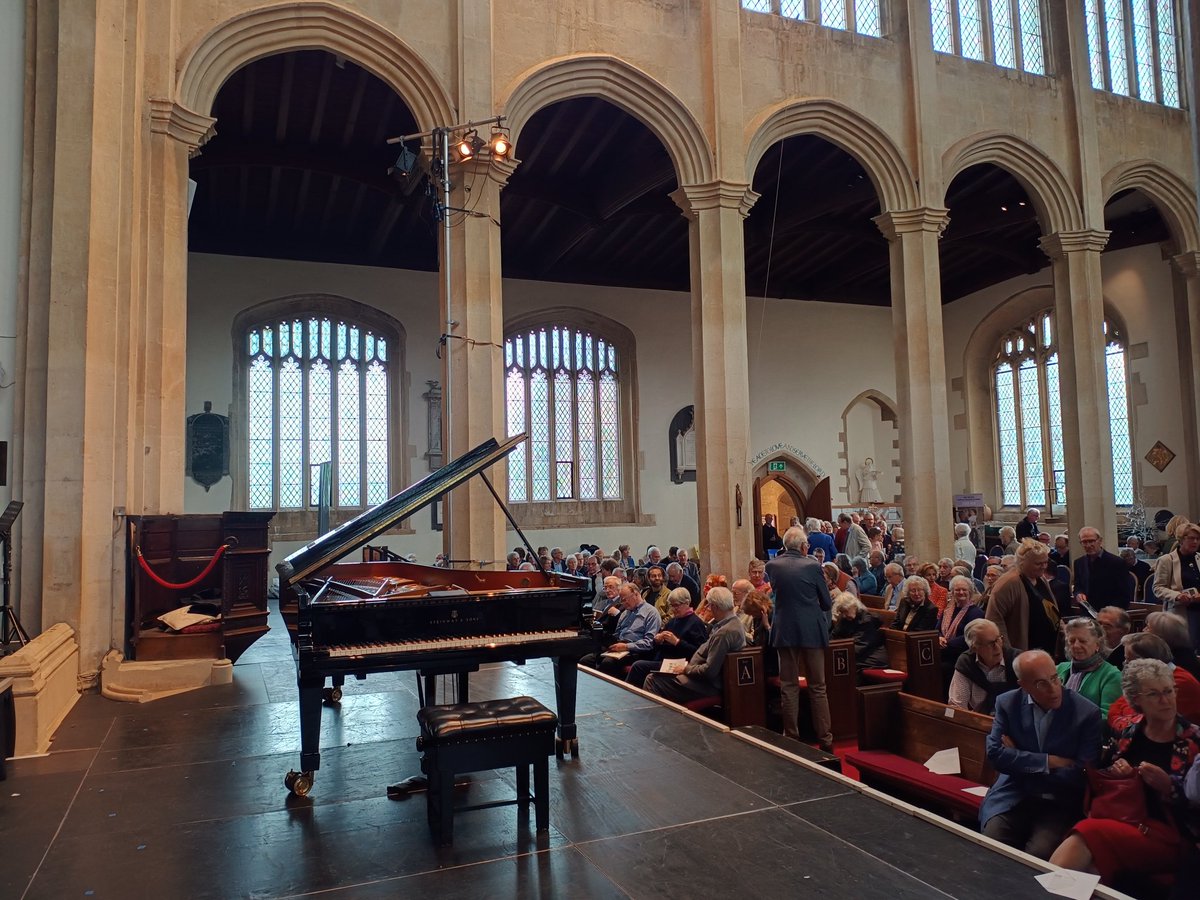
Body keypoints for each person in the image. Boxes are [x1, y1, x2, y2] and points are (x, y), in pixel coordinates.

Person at [1049, 659, 1200, 887]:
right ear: (1136, 700)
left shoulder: (1192, 741)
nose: (1166, 700)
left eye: (1169, 691)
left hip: (1169, 833)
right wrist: (1119, 774)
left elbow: (1195, 807)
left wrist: (1168, 787)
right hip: (1123, 818)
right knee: (1089, 871)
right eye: (1154, 694)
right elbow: (1101, 774)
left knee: (1086, 832)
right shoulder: (1129, 731)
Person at [980, 650, 1104, 859]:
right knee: (992, 845)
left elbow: (1081, 773)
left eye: (1055, 678)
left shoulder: (1086, 713)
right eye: (1041, 684)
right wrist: (1049, 761)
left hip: (1057, 802)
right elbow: (995, 755)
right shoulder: (1007, 703)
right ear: (1023, 685)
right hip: (1013, 794)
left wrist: (1018, 757)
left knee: (1038, 855)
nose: (1054, 689)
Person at [767, 526, 833, 751]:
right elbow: (826, 602)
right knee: (818, 686)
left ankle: (791, 738)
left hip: (784, 629)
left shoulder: (772, 565)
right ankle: (825, 740)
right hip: (811, 630)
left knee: (788, 685)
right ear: (804, 546)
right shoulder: (813, 565)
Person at [644, 586, 746, 704]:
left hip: (708, 685)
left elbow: (709, 671)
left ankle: (658, 718)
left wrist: (686, 669)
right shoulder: (734, 622)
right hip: (700, 676)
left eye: (709, 605)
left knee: (652, 680)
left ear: (716, 607)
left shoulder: (724, 633)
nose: (707, 608)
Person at [1106, 632, 1200, 731]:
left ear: (1145, 660)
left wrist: (1120, 720)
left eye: (1128, 660)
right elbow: (1115, 708)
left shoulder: (1177, 683)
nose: (1125, 665)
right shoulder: (1147, 679)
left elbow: (1144, 720)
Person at [986, 539, 1061, 655]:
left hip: (1046, 648)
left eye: (1045, 562)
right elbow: (994, 620)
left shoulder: (1040, 579)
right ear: (1022, 562)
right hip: (1023, 652)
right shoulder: (1008, 584)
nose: (1044, 567)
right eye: (1038, 564)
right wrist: (1008, 652)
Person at [626, 588, 709, 688]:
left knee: (638, 666)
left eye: (676, 605)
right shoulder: (673, 621)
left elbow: (699, 652)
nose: (673, 609)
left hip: (680, 664)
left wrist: (677, 642)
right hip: (665, 660)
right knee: (638, 663)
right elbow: (660, 647)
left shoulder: (695, 623)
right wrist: (658, 641)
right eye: (671, 605)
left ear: (687, 603)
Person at [580, 582, 661, 676]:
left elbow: (649, 643)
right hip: (619, 646)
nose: (624, 604)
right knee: (585, 660)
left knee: (607, 663)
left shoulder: (651, 613)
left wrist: (626, 646)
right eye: (622, 601)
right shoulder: (625, 613)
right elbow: (617, 634)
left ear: (636, 594)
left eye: (625, 600)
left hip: (635, 651)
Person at [948, 619, 1020, 714]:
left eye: (998, 639)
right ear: (974, 648)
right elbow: (955, 706)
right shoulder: (966, 663)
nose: (998, 647)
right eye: (990, 644)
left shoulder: (1018, 660)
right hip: (980, 723)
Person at [1056, 617, 1122, 718]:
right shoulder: (1059, 668)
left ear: (1097, 645)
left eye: (1082, 641)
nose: (1076, 645)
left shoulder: (1111, 675)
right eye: (1072, 641)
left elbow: (1109, 718)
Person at [1152, 521, 1200, 649]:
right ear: (1181, 540)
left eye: (1198, 539)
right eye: (1191, 538)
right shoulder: (1167, 560)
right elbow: (1158, 588)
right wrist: (1177, 596)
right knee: (1187, 649)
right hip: (1180, 612)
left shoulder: (1199, 558)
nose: (1195, 542)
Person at [1073, 526, 1134, 610]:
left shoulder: (1117, 563)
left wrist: (1108, 612)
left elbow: (1124, 595)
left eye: (1091, 541)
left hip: (1110, 613)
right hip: (1087, 612)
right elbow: (1078, 586)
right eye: (1084, 542)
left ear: (1100, 541)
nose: (1088, 545)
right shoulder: (1079, 563)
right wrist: (1078, 594)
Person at [939, 575, 985, 678]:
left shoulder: (976, 613)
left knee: (942, 668)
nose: (961, 592)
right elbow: (936, 629)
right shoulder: (947, 610)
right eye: (957, 590)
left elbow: (969, 636)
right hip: (943, 651)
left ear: (970, 592)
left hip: (961, 655)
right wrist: (939, 638)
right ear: (952, 592)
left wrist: (946, 643)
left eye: (964, 590)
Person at [830, 594, 888, 674]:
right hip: (857, 657)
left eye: (845, 611)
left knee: (840, 669)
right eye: (841, 612)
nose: (844, 615)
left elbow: (859, 646)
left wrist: (837, 653)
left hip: (872, 660)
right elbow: (833, 637)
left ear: (854, 606)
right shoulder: (845, 619)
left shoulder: (867, 621)